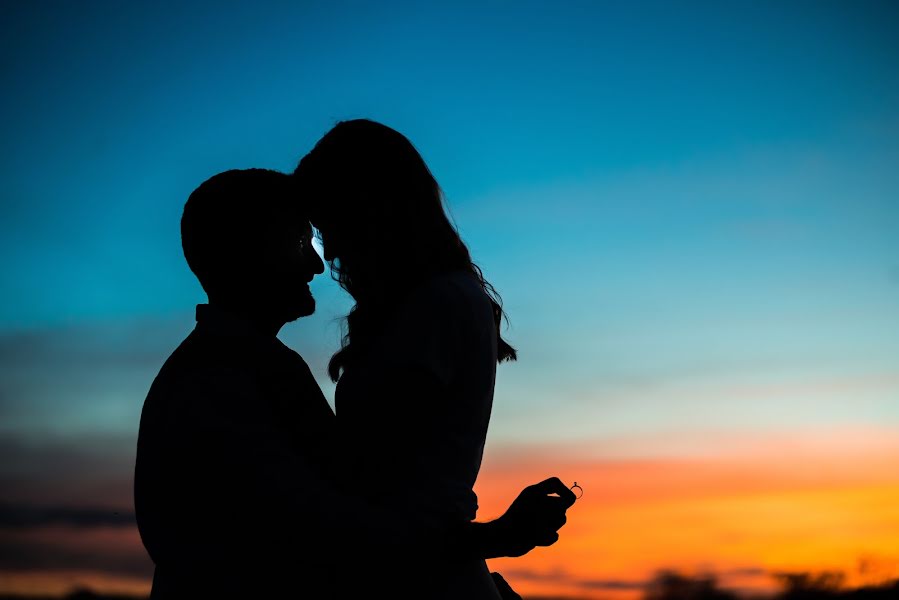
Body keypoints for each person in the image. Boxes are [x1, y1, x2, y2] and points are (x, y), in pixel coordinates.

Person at [134, 168, 576, 599]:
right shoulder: (219, 383)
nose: (316, 263)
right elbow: (323, 534)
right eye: (298, 241)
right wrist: (494, 540)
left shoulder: (243, 368)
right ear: (247, 251)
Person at [293, 119, 569, 599]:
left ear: (375, 208)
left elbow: (383, 492)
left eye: (332, 223)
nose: (329, 249)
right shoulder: (424, 304)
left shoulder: (438, 305)